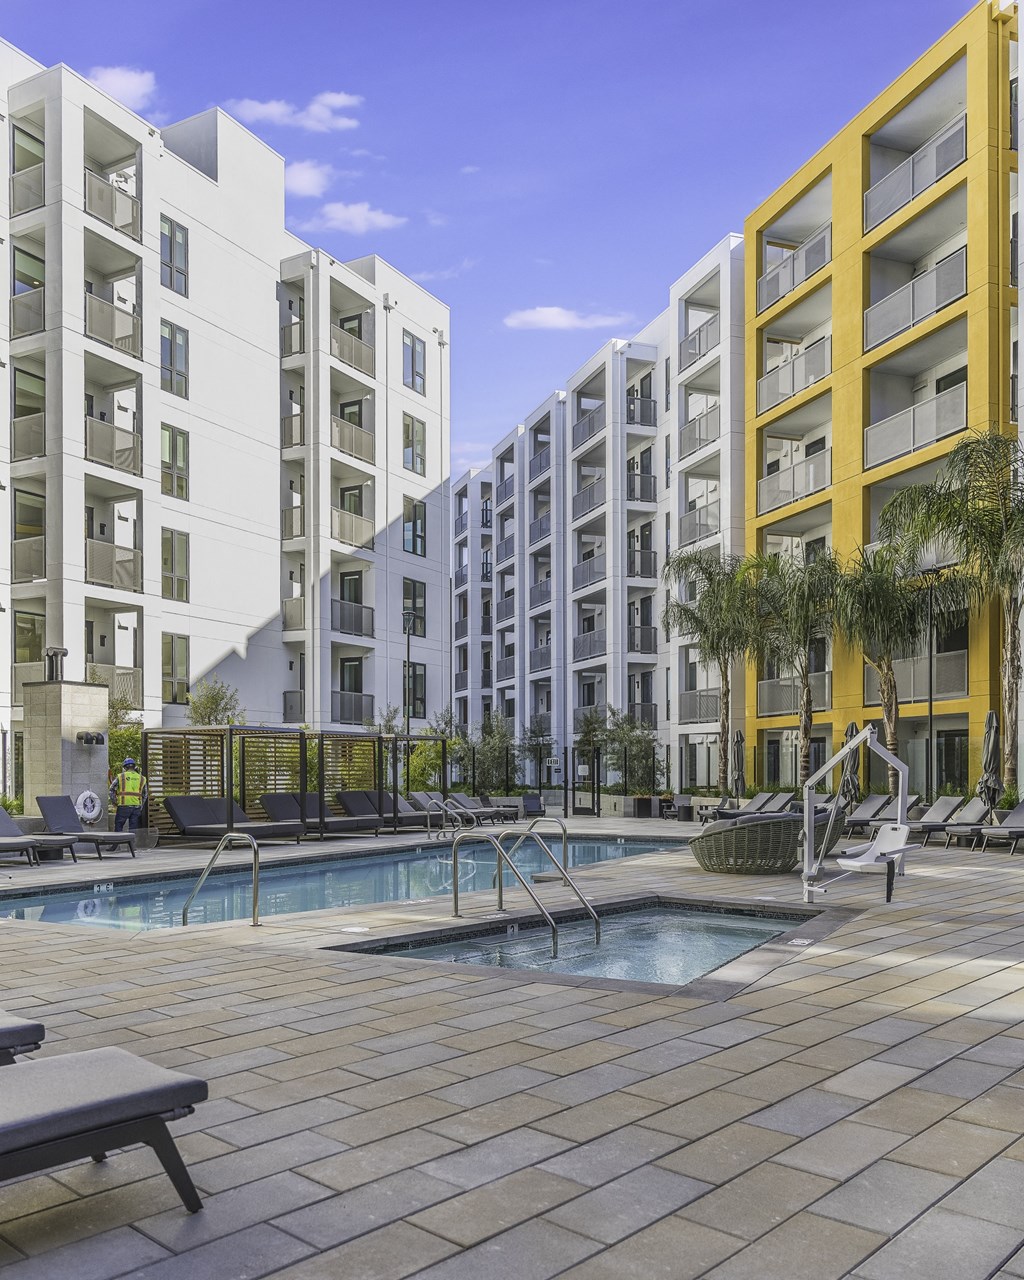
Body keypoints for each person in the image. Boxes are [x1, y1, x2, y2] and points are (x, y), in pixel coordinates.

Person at [109, 757, 147, 833]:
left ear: (125, 767)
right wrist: (140, 806)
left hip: (123, 805)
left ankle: (117, 844)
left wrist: (115, 801)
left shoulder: (121, 776)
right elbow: (145, 794)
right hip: (136, 807)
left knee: (119, 826)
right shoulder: (142, 778)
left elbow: (111, 789)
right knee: (133, 829)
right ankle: (132, 844)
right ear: (134, 767)